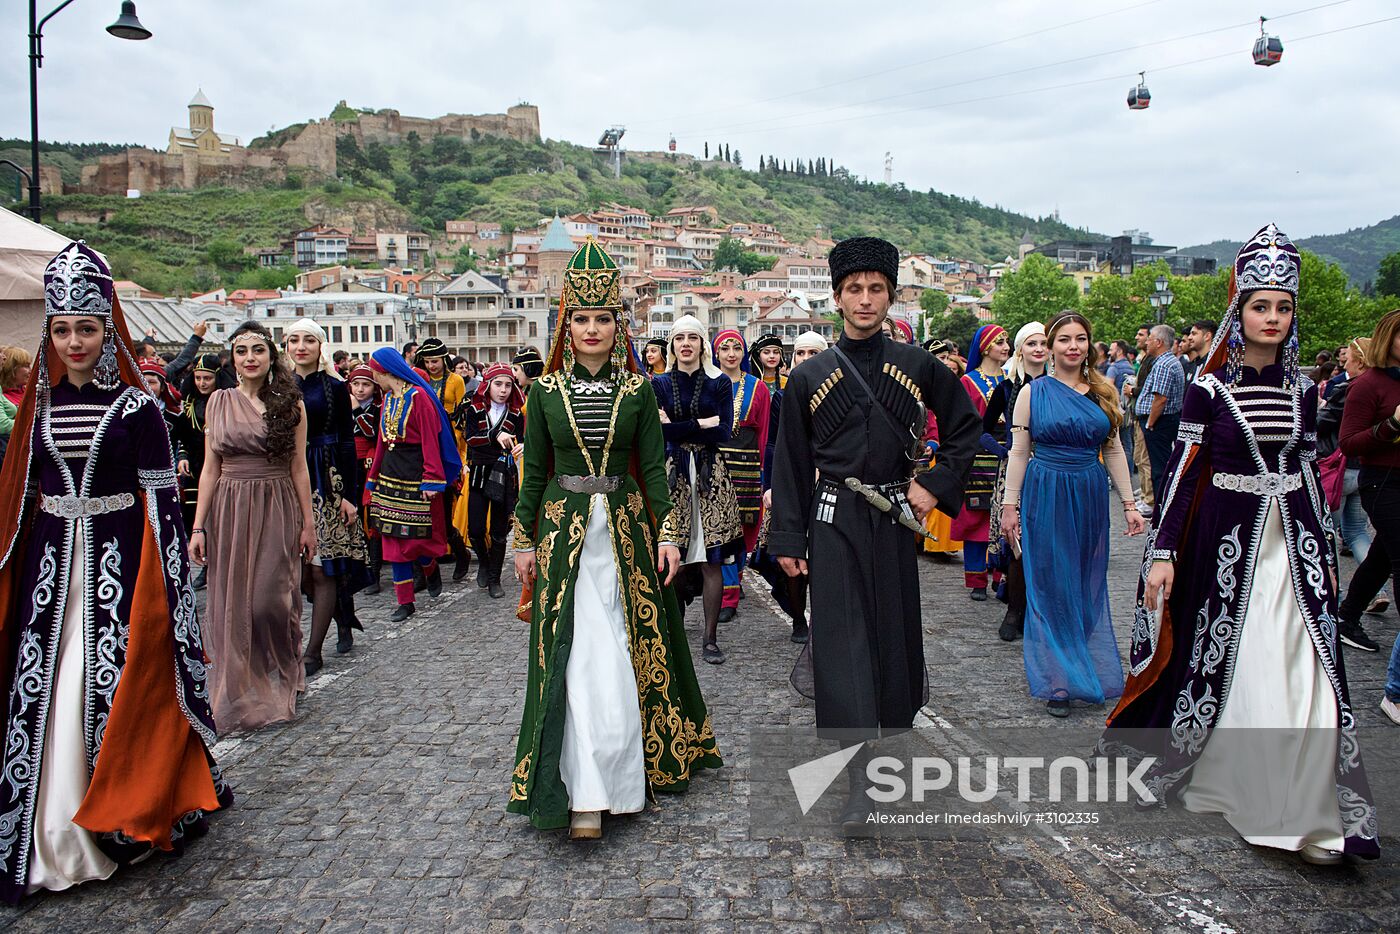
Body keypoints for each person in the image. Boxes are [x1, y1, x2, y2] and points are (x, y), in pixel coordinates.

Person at [1103, 224, 1378, 866]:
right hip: (1228, 551)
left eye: (1284, 307)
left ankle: (1312, 809)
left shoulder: (1305, 392)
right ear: (1240, 309)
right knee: (1252, 663)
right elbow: (1183, 474)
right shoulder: (1208, 389)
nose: (1273, 317)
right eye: (1261, 305)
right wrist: (1164, 552)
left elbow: (1308, 472)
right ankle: (1270, 801)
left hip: (1297, 549)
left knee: (1310, 668)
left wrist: (1328, 553)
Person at [0, 242, 229, 901]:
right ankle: (42, 824)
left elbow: (162, 506)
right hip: (49, 568)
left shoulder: (138, 410)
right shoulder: (36, 413)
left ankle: (118, 809)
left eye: (87, 328)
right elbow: (19, 495)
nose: (74, 341)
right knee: (42, 686)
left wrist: (168, 593)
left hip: (118, 565)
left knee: (105, 682)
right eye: (63, 329)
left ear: (108, 331)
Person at [508, 237, 721, 840]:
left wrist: (671, 532)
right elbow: (535, 475)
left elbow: (654, 470)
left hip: (625, 534)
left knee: (624, 648)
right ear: (566, 325)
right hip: (562, 533)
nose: (593, 328)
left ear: (617, 323)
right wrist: (523, 540)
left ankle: (622, 776)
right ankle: (580, 787)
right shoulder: (544, 392)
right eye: (583, 319)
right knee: (577, 654)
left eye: (604, 318)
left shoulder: (637, 392)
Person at [768, 236, 981, 831]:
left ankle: (884, 759)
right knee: (843, 643)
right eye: (854, 290)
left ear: (891, 296)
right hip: (832, 522)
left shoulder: (918, 366)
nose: (865, 300)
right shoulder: (808, 375)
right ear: (836, 297)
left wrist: (935, 483)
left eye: (876, 289)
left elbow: (967, 427)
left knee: (890, 638)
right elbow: (789, 463)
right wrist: (788, 539)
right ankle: (860, 773)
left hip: (892, 523)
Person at [1000, 313, 1143, 715]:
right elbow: (1019, 453)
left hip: (1090, 492)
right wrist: (1009, 506)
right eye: (1064, 339)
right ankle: (1058, 681)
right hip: (1045, 491)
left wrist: (1130, 504)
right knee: (1049, 583)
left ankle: (1079, 665)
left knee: (1084, 582)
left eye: (1081, 338)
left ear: (1090, 345)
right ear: (1050, 345)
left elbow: (1114, 450)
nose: (1073, 346)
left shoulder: (1104, 391)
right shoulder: (1032, 393)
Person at [192, 321, 314, 732]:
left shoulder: (291, 404)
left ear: (270, 356)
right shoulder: (218, 402)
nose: (249, 358)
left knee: (269, 601)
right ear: (233, 358)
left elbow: (299, 468)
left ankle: (285, 668)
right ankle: (244, 685)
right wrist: (198, 527)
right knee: (231, 601)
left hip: (276, 501)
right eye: (241, 351)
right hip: (229, 504)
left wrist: (308, 523)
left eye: (257, 350)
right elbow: (209, 469)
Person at [652, 315, 742, 664]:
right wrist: (698, 424)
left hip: (710, 476)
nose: (685, 343)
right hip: (672, 474)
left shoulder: (719, 383)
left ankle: (709, 638)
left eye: (693, 337)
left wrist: (678, 426)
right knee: (671, 556)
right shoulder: (658, 383)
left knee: (711, 561)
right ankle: (673, 633)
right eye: (679, 338)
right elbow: (658, 433)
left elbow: (724, 432)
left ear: (702, 344)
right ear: (672, 345)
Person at [285, 319, 370, 674]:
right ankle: (342, 613)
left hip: (325, 477)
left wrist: (349, 494)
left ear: (320, 346)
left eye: (308, 340)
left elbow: (348, 442)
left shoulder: (335, 387)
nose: (300, 346)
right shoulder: (278, 386)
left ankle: (313, 651)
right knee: (298, 571)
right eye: (293, 340)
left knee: (323, 568)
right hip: (286, 478)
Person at [1338, 309, 1400, 724]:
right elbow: (1349, 443)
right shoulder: (1368, 385)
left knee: (1381, 557)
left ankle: (1346, 615)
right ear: (1388, 339)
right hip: (1384, 483)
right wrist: (1392, 425)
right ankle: (1395, 690)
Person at [365, 348, 460, 621]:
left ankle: (429, 567)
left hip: (416, 475)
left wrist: (432, 478)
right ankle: (405, 602)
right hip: (389, 475)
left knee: (416, 541)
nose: (373, 378)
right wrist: (372, 481)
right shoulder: (386, 401)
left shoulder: (419, 399)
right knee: (393, 541)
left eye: (374, 373)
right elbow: (382, 443)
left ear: (384, 371)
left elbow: (431, 439)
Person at [983, 322, 1048, 641]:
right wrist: (1002, 451)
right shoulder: (1006, 388)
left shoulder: (1061, 385)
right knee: (1017, 542)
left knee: (1048, 542)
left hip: (1051, 470)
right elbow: (980, 429)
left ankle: (1044, 612)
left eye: (1043, 343)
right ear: (1021, 349)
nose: (1038, 349)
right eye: (1031, 343)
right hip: (1016, 471)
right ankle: (1015, 610)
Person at [1323, 338, 1389, 647]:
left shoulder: (1354, 387)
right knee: (1352, 531)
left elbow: (1329, 426)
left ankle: (1339, 606)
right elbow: (1351, 439)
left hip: (1350, 473)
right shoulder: (1368, 386)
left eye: (1348, 358)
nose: (1344, 362)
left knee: (1344, 536)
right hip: (1368, 474)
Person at [712, 330, 770, 623]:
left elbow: (763, 434)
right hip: (716, 464)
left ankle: (732, 587)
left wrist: (761, 475)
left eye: (736, 348)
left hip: (746, 466)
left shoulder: (758, 388)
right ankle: (726, 596)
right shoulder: (708, 384)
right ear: (717, 353)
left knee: (741, 531)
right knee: (718, 531)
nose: (731, 353)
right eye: (725, 348)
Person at [951, 323, 1011, 600]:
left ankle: (1001, 576)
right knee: (977, 516)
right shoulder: (967, 381)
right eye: (1000, 342)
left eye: (1007, 342)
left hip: (1009, 454)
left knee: (1005, 516)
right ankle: (976, 579)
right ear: (986, 347)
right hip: (978, 455)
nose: (1006, 347)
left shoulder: (1012, 380)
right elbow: (962, 420)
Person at [458, 363, 525, 598]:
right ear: (488, 385)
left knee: (499, 530)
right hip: (478, 472)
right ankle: (484, 562)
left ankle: (495, 579)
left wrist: (522, 446)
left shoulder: (516, 413)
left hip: (503, 474)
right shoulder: (474, 409)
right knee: (475, 529)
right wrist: (495, 435)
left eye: (508, 384)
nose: (503, 390)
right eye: (498, 384)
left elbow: (524, 438)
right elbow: (471, 439)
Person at [415, 338, 474, 583]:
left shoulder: (455, 381)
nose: (432, 366)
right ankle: (422, 567)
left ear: (444, 360)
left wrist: (458, 452)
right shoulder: (419, 379)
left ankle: (460, 551)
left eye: (435, 361)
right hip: (426, 446)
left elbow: (462, 416)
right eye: (427, 361)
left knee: (446, 505)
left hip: (450, 444)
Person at [171, 354, 220, 590]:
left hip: (222, 465)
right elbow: (183, 437)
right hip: (197, 466)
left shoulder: (226, 401)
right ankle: (206, 564)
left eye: (207, 378)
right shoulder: (189, 405)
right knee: (199, 517)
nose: (202, 383)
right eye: (198, 378)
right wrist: (182, 457)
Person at [1137, 323, 1185, 501]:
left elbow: (1161, 398)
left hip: (1159, 423)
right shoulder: (1166, 362)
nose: (1146, 343)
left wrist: (1150, 423)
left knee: (1159, 469)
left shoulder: (1164, 364)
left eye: (1149, 339)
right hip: (1162, 421)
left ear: (1158, 342)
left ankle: (1161, 505)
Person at [347, 365, 383, 595]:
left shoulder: (378, 408)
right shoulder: (342, 406)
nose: (360, 390)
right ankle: (355, 568)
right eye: (356, 384)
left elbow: (372, 433)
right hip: (349, 465)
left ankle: (375, 572)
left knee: (373, 519)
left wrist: (356, 412)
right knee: (353, 517)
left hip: (371, 465)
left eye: (366, 384)